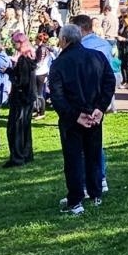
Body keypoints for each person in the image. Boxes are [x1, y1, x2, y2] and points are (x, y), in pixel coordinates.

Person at [49, 24, 115, 215]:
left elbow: (57, 96)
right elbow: (109, 82)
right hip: (92, 115)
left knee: (73, 159)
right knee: (93, 154)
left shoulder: (60, 63)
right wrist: (100, 108)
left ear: (64, 40)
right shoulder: (97, 57)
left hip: (74, 118)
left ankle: (76, 199)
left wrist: (75, 115)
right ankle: (95, 194)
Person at [72, 15, 116, 192]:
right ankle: (100, 177)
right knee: (96, 140)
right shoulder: (104, 44)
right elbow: (110, 72)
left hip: (86, 97)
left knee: (82, 143)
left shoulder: (82, 47)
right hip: (101, 97)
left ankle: (86, 181)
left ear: (80, 29)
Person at [5, 32, 38, 168]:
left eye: (15, 43)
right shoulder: (29, 57)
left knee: (15, 128)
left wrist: (9, 72)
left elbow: (21, 81)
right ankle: (26, 154)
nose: (14, 45)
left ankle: (17, 157)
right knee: (25, 127)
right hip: (28, 97)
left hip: (21, 99)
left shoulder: (23, 60)